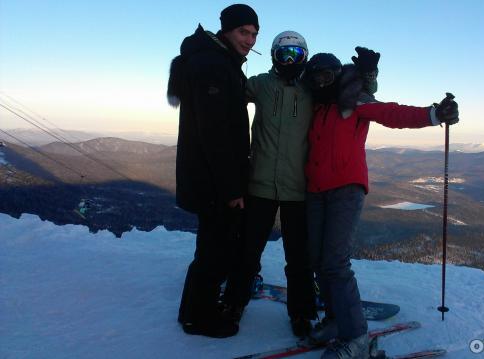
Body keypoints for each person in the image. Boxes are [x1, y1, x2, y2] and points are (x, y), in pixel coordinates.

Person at [303, 50, 459, 358]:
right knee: (318, 261)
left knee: (335, 262)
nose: (322, 81)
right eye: (316, 76)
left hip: (346, 189)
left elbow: (392, 113)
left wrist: (434, 114)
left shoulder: (354, 100)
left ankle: (356, 337)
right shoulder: (314, 105)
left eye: (328, 75)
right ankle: (336, 321)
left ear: (338, 75)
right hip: (315, 190)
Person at [166, 4, 259, 338]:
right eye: (242, 32)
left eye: (253, 34)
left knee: (213, 247)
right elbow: (215, 133)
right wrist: (232, 189)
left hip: (210, 178)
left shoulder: (218, 61)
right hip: (213, 181)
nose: (249, 40)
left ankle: (198, 309)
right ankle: (197, 317)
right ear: (226, 32)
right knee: (214, 251)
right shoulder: (213, 66)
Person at [221, 31, 317, 338]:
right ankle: (233, 304)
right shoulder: (261, 83)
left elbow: (352, 93)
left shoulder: (313, 89)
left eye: (296, 55)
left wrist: (368, 77)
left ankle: (302, 314)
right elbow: (227, 89)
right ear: (274, 55)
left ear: (305, 58)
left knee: (299, 258)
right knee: (247, 251)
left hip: (298, 188)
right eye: (284, 54)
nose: (289, 61)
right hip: (260, 184)